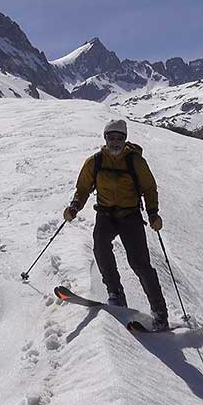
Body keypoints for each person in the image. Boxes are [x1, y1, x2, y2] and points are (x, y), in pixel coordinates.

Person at [63, 119, 170, 331]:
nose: (115, 142)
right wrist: (75, 206)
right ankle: (115, 294)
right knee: (100, 249)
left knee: (140, 264)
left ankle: (160, 313)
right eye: (111, 137)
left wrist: (153, 213)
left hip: (130, 217)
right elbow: (83, 187)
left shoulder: (136, 162)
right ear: (105, 138)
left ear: (125, 139)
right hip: (105, 215)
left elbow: (149, 189)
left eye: (119, 138)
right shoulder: (95, 162)